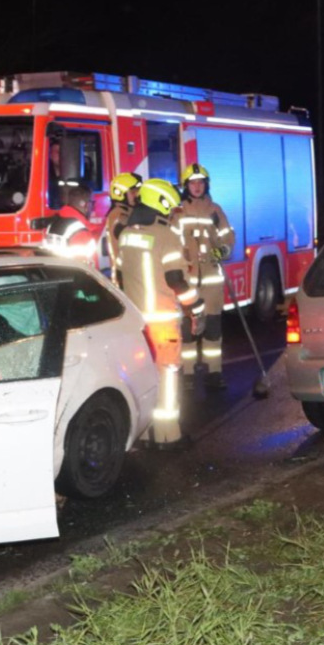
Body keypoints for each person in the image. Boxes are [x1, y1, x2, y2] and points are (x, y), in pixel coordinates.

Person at [117, 178, 204, 448]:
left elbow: (119, 276)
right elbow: (177, 279)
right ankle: (168, 435)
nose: (171, 212)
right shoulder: (165, 236)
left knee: (141, 375)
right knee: (167, 375)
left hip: (135, 323)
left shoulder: (126, 235)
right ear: (161, 204)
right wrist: (196, 306)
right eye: (169, 208)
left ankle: (143, 433)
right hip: (162, 321)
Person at [173, 163, 235, 390]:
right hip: (187, 281)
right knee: (187, 330)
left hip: (211, 282)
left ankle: (214, 373)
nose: (197, 187)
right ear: (186, 186)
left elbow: (228, 238)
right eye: (192, 183)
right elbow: (170, 242)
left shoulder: (215, 210)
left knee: (212, 329)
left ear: (206, 185)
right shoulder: (177, 212)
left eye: (200, 183)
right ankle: (187, 375)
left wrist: (223, 250)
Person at [44, 181, 98, 268]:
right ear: (86, 205)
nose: (94, 207)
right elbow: (89, 268)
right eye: (93, 203)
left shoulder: (51, 225)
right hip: (73, 278)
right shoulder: (81, 232)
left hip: (54, 276)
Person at [104, 172, 142, 285]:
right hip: (124, 278)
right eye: (133, 192)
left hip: (128, 275)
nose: (137, 195)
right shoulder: (119, 215)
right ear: (121, 194)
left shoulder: (126, 212)